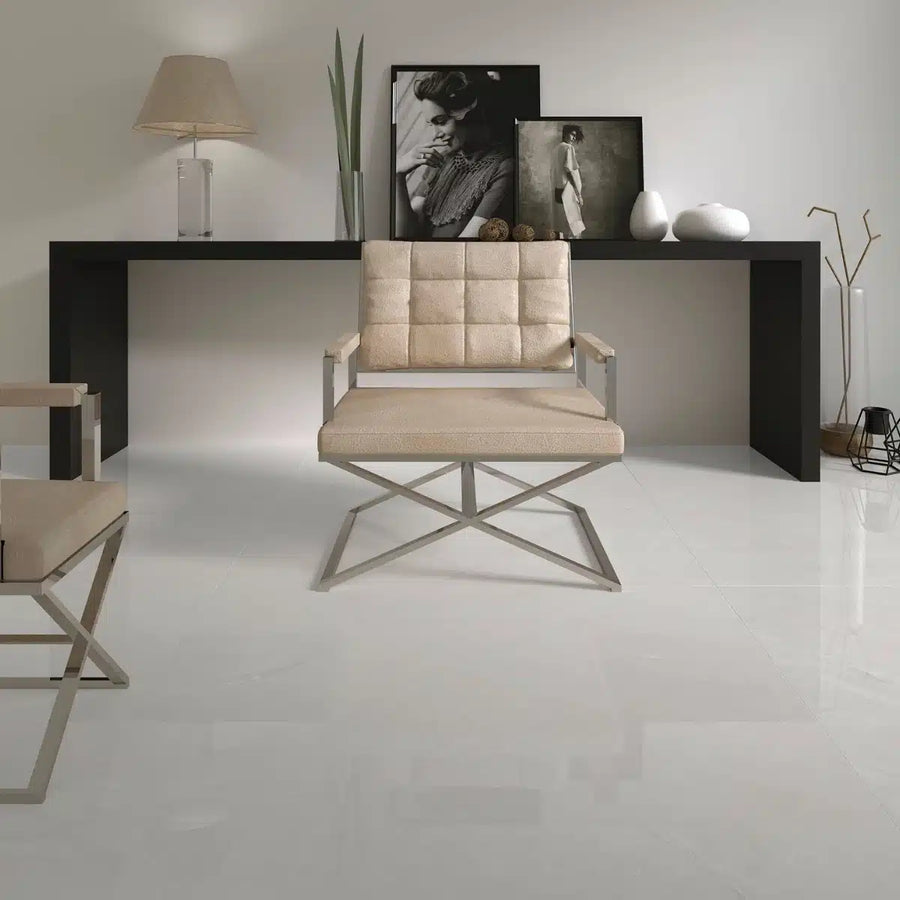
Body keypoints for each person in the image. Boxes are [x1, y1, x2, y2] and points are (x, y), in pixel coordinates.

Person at [394, 70, 514, 238]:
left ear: (470, 114)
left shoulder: (505, 168)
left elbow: (465, 247)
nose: (437, 133)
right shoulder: (441, 161)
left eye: (441, 122)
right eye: (432, 124)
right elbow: (404, 235)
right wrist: (397, 176)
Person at [552, 124, 586, 238]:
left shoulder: (556, 148)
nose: (573, 138)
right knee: (574, 224)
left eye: (575, 136)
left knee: (561, 222)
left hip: (558, 188)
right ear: (565, 133)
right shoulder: (568, 148)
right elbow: (569, 171)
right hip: (568, 189)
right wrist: (578, 193)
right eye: (572, 135)